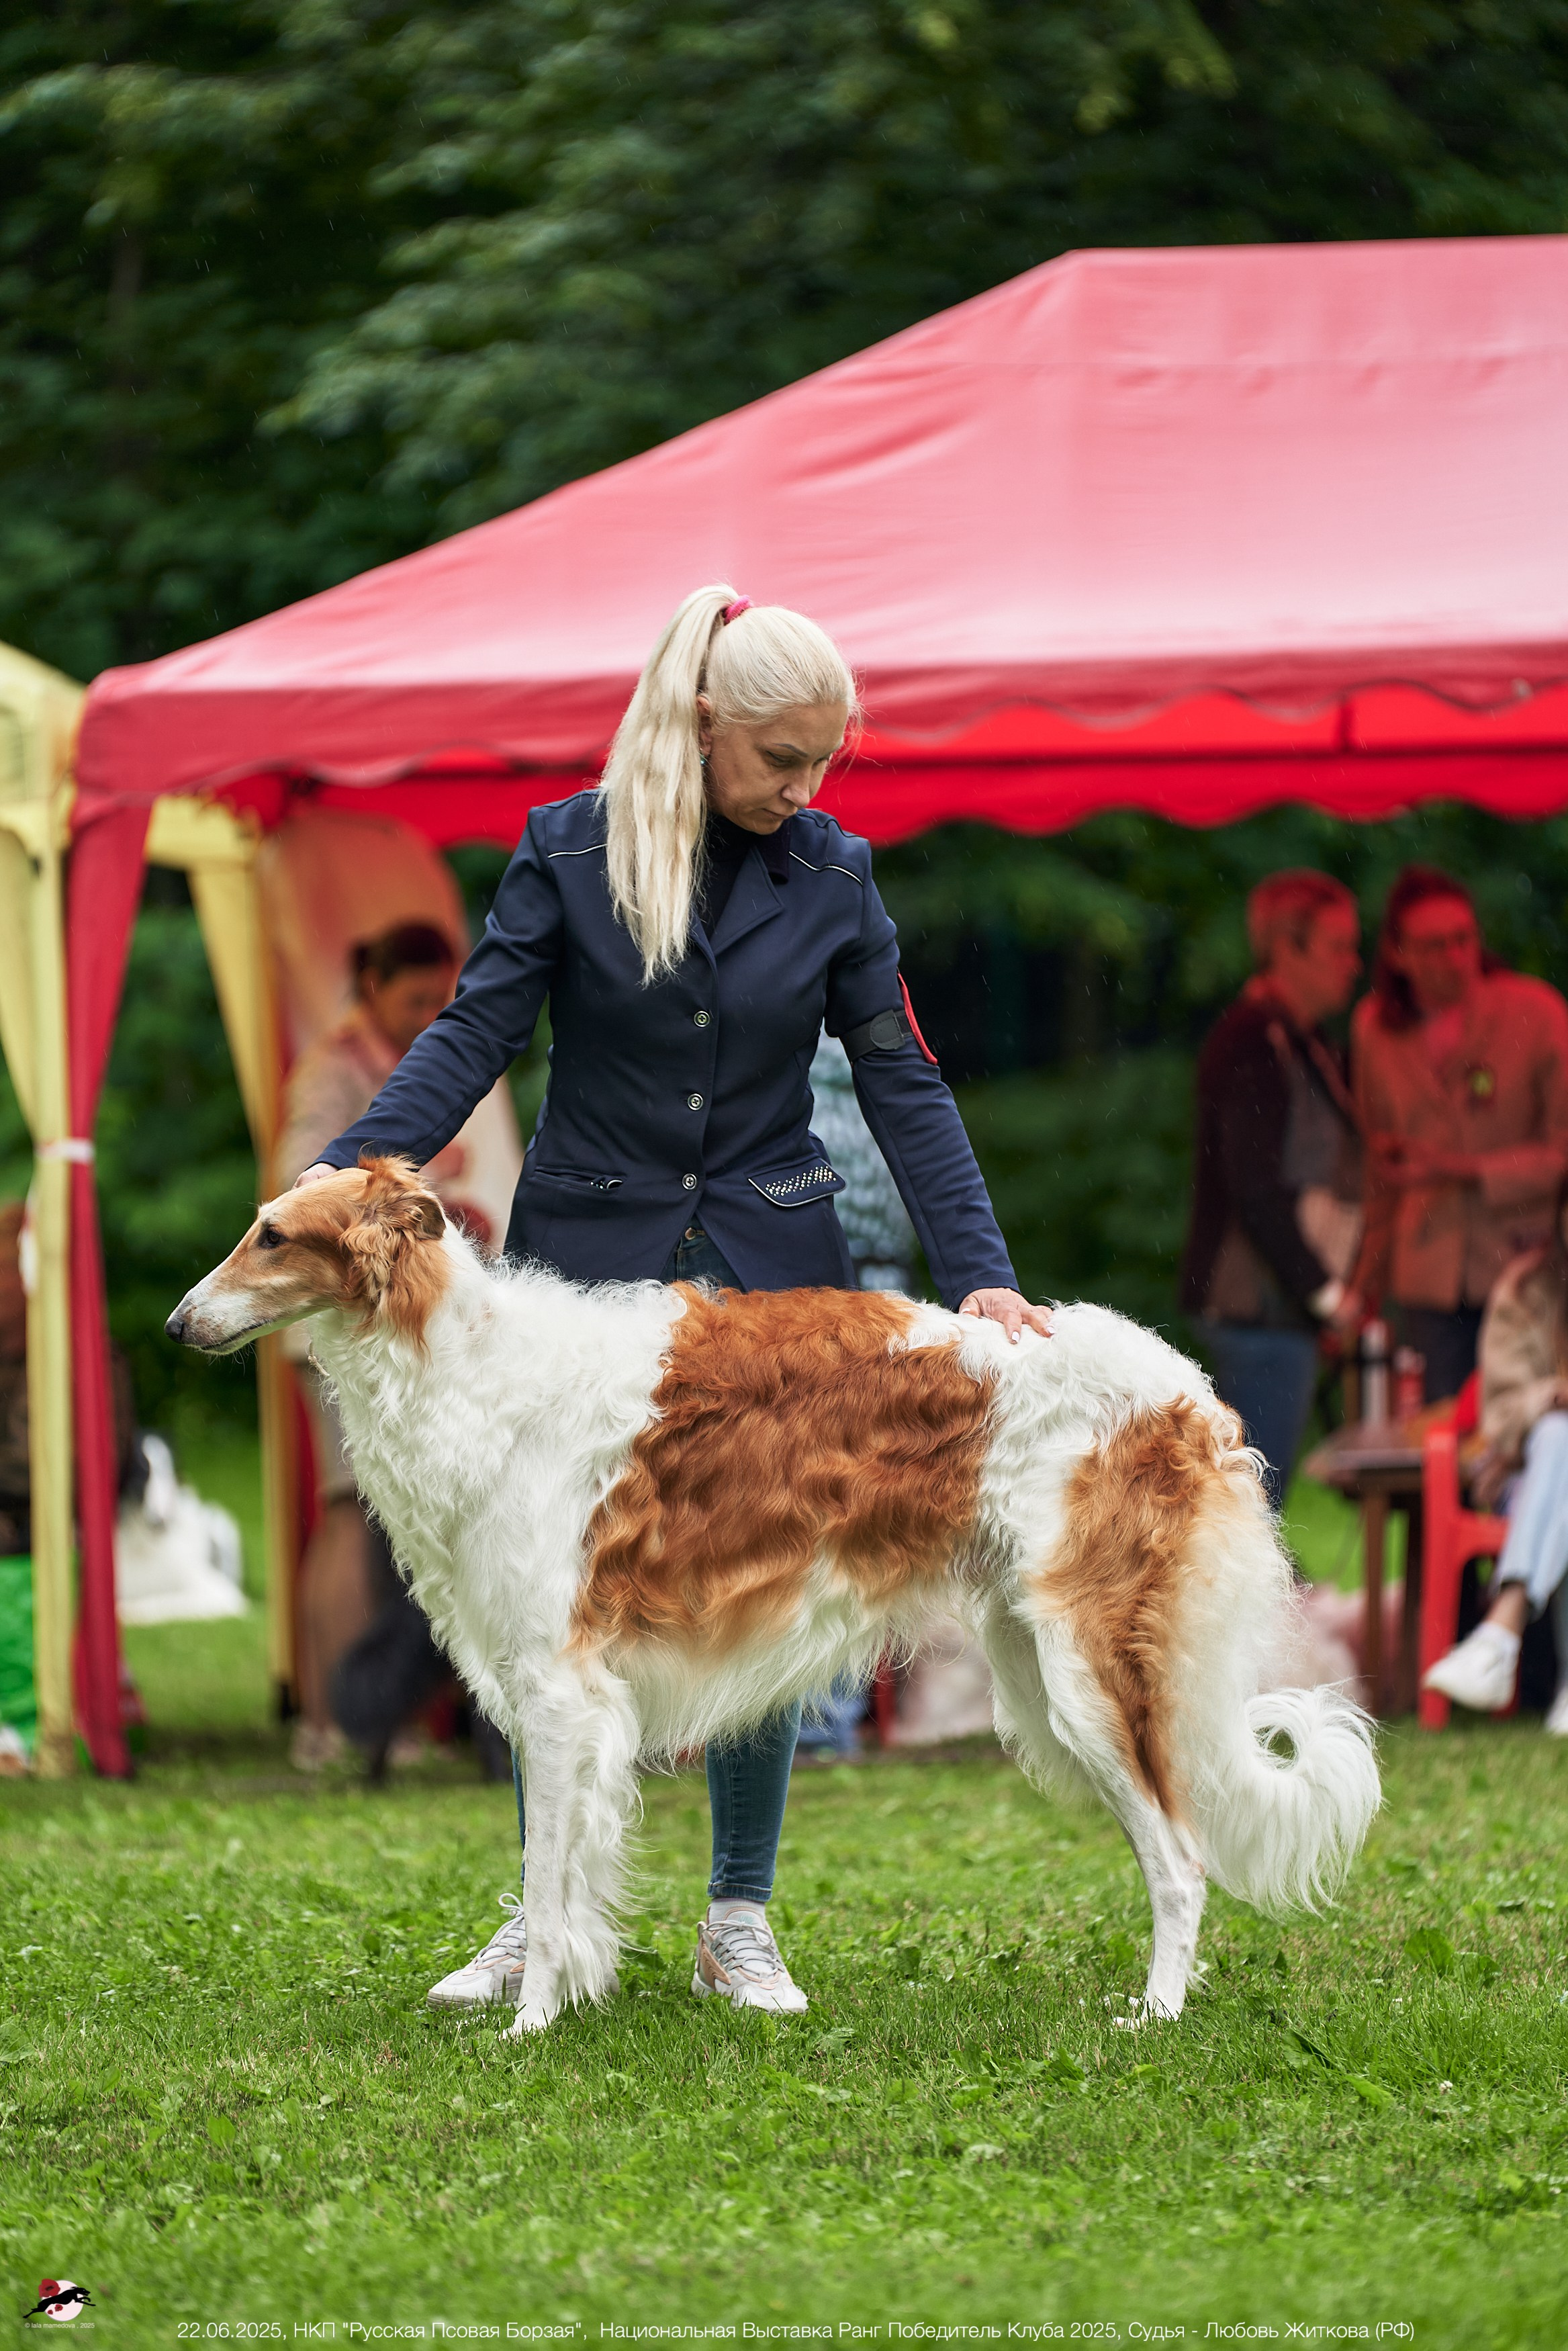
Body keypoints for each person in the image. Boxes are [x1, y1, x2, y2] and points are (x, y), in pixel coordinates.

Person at [293, 582, 1048, 2014]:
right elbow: (475, 1030)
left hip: (772, 1272)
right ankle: (542, 1912)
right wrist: (353, 1168)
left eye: (823, 760)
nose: (804, 787)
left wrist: (983, 1276)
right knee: (549, 1596)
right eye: (780, 757)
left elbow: (903, 1080)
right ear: (701, 723)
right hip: (586, 1266)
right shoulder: (566, 853)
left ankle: (738, 1916)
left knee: (766, 1580)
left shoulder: (834, 874)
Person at [275, 920, 471, 1770]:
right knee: (351, 1509)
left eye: (440, 1000)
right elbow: (300, 1180)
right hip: (335, 1321)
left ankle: (370, 1723)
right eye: (415, 998)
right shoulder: (333, 1069)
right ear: (371, 986)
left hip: (385, 1322)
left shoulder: (396, 1059)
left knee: (374, 1510)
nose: (430, 1014)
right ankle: (329, 1721)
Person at [1346, 866, 1568, 1403]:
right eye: (1433, 945)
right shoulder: (1375, 1029)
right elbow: (1378, 1170)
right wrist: (1363, 1286)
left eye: (1463, 939)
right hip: (1427, 1271)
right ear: (1397, 954)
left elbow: (1561, 1155)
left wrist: (1458, 1169)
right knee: (1437, 1427)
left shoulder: (1536, 1013)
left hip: (1525, 1265)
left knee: (1524, 1419)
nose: (1454, 958)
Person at [1180, 871, 1363, 1509]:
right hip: (1255, 1308)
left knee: (1252, 1499)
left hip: (1277, 1312)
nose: (1353, 963)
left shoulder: (1303, 1040)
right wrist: (1327, 1294)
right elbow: (1254, 1189)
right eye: (1338, 946)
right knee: (1249, 1507)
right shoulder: (1253, 1040)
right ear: (1287, 948)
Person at [1420, 1174, 1568, 1730]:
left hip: (1541, 1482)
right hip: (1524, 1483)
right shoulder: (1525, 1293)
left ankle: (1499, 1635)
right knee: (1558, 1437)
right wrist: (1552, 1398)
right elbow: (1499, 1417)